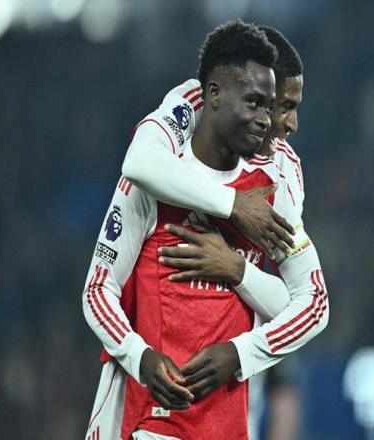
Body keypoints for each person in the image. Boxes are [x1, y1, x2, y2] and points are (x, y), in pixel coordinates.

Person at [83, 20, 328, 440]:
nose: (285, 123)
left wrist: (237, 273)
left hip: (231, 419)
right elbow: (97, 287)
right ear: (217, 95)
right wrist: (233, 206)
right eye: (272, 105)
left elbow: (309, 303)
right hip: (145, 418)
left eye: (276, 106)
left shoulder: (279, 177)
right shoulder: (165, 157)